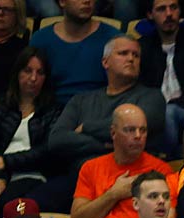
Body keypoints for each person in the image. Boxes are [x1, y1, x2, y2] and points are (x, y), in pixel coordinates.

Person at [69, 104, 167, 218]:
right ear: (113, 133)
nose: (138, 136)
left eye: (143, 130)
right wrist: (113, 194)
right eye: (130, 130)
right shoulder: (91, 168)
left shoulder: (160, 171)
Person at [49, 36, 162, 170]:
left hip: (127, 174)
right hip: (78, 174)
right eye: (123, 53)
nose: (131, 59)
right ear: (105, 62)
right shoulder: (81, 100)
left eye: (136, 55)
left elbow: (134, 131)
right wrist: (104, 145)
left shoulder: (152, 97)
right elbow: (57, 140)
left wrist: (86, 128)